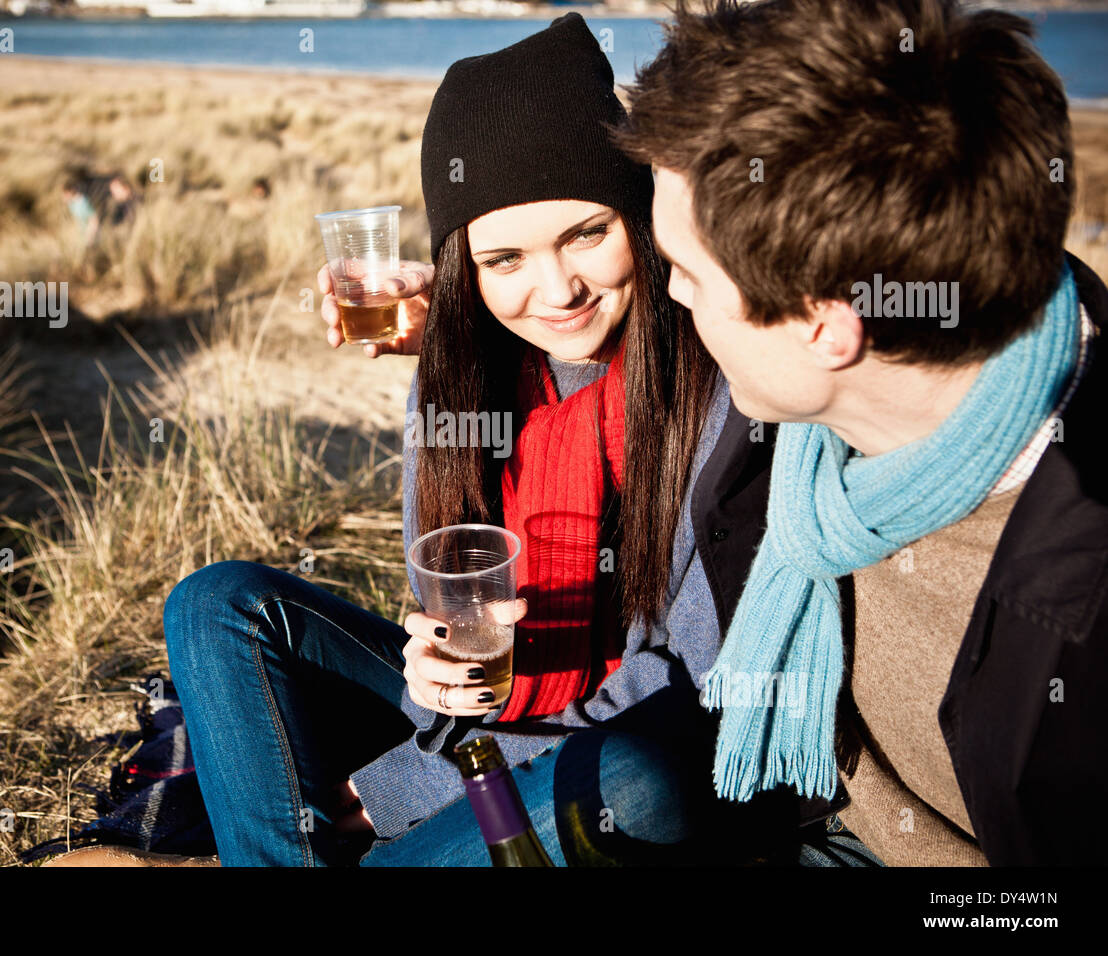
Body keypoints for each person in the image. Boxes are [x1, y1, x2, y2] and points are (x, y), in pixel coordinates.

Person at [159, 13, 803, 866]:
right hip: (481, 719)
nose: (558, 289)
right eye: (504, 260)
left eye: (587, 234)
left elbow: (689, 690)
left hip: (637, 736)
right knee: (220, 603)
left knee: (637, 778)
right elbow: (445, 606)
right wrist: (428, 671)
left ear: (638, 219)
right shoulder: (460, 374)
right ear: (465, 267)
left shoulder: (720, 376)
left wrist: (399, 789)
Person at [609, 0, 1107, 865]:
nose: (672, 299)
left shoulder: (1083, 612)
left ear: (824, 327)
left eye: (686, 272)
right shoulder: (816, 414)